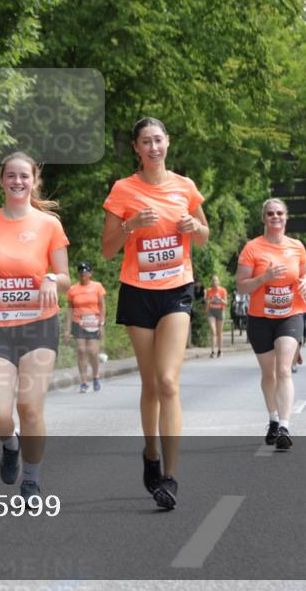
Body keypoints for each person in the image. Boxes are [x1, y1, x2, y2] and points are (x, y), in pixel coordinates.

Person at [102, 117, 209, 510]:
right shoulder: (123, 189)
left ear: (168, 142)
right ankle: (150, 453)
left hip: (177, 289)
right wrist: (131, 225)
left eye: (158, 140)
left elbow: (204, 234)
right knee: (149, 384)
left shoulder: (185, 187)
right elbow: (108, 250)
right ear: (136, 148)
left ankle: (171, 477)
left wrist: (193, 226)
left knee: (168, 381)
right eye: (145, 142)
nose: (153, 147)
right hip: (138, 292)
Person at [0, 152, 69, 499]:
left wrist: (52, 278)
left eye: (24, 176)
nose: (18, 182)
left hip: (39, 324)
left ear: (34, 180)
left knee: (30, 407)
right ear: (1, 181)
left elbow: (64, 276)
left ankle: (32, 480)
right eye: (11, 176)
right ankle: (10, 442)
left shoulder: (48, 225)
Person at [236, 198, 306, 452]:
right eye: (270, 213)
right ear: (264, 218)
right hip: (260, 318)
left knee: (284, 370)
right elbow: (241, 285)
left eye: (280, 213)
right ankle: (273, 418)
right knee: (268, 373)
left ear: (286, 217)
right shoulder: (252, 248)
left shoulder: (297, 246)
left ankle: (285, 427)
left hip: (291, 313)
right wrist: (265, 277)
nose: (275, 217)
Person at [65, 261, 107, 393]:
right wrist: (68, 328)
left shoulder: (97, 286)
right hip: (79, 322)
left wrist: (101, 323)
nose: (83, 274)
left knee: (93, 351)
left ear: (90, 273)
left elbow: (102, 306)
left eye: (86, 272)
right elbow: (70, 309)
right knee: (81, 351)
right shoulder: (73, 289)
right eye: (81, 272)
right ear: (78, 274)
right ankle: (84, 382)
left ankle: (95, 376)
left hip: (94, 322)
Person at [205, 275, 228, 358]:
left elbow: (226, 303)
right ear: (211, 282)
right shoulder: (209, 291)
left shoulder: (222, 290)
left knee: (219, 332)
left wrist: (220, 299)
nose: (214, 282)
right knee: (213, 330)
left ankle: (220, 350)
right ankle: (212, 351)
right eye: (213, 280)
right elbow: (207, 302)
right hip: (211, 311)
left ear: (219, 282)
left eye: (216, 280)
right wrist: (211, 300)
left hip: (220, 311)